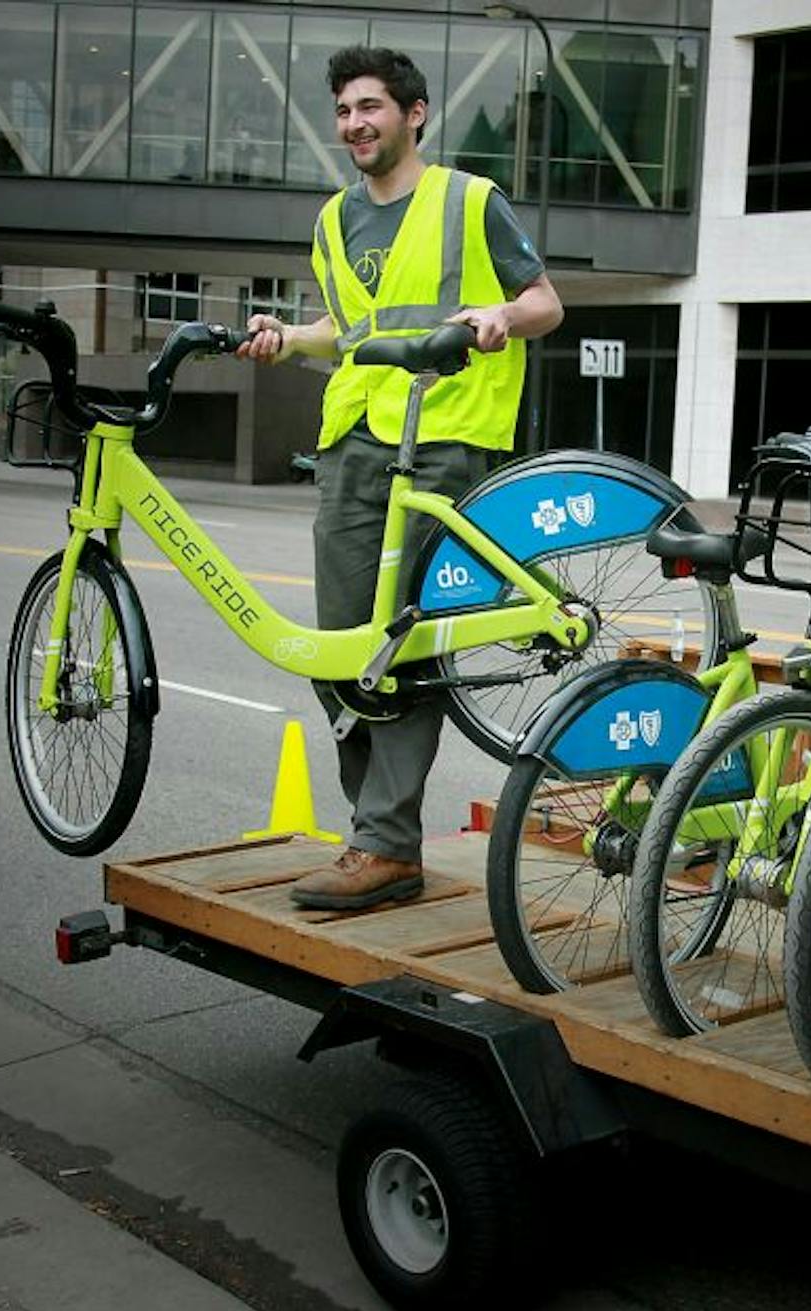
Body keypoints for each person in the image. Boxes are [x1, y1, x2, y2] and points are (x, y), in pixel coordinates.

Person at [235, 45, 562, 913]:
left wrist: (498, 313)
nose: (355, 125)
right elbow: (347, 329)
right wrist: (286, 337)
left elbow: (546, 303)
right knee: (337, 648)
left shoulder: (469, 200)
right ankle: (376, 835)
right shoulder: (334, 219)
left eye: (371, 107)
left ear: (414, 114)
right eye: (344, 111)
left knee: (401, 649)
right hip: (353, 439)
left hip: (447, 439)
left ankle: (385, 843)